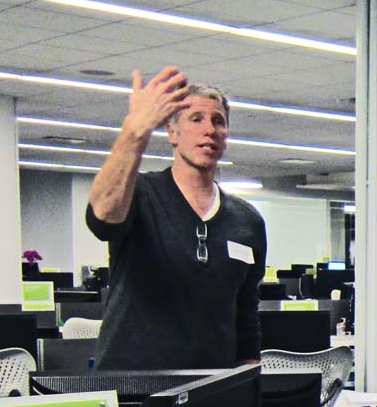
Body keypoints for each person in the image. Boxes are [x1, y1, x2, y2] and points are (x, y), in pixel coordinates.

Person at [87, 67, 266, 369]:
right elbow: (102, 219)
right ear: (172, 132)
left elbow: (246, 316)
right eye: (195, 119)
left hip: (210, 391)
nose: (208, 129)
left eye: (218, 121)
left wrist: (248, 388)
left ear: (226, 136)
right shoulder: (140, 194)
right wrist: (135, 132)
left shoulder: (247, 221)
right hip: (133, 386)